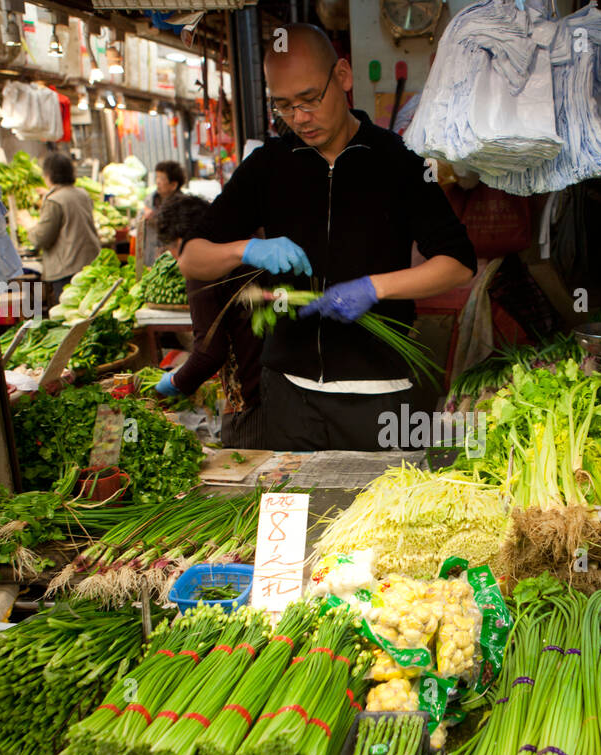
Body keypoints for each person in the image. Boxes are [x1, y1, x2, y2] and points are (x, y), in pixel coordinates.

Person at [170, 23, 475, 451]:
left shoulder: (399, 162)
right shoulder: (268, 166)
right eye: (284, 106)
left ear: (344, 76)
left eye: (310, 99)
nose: (299, 118)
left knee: (380, 513)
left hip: (381, 394)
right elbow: (191, 258)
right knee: (297, 512)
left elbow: (458, 262)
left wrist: (376, 287)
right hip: (289, 395)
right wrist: (249, 247)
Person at [152, 194, 266, 448]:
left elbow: (209, 353)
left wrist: (174, 382)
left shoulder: (201, 264)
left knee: (254, 473)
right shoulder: (241, 244)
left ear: (182, 241)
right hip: (286, 385)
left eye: (171, 248)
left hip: (254, 395)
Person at [30, 152, 99, 308]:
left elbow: (41, 238)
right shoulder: (82, 193)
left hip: (67, 268)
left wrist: (29, 226)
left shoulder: (55, 200)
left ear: (48, 175)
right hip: (90, 263)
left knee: (70, 314)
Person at [137, 160, 187, 266]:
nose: (158, 182)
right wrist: (143, 216)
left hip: (173, 260)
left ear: (173, 185)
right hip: (150, 256)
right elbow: (139, 221)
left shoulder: (183, 205)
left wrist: (157, 218)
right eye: (157, 177)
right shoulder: (149, 200)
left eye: (162, 178)